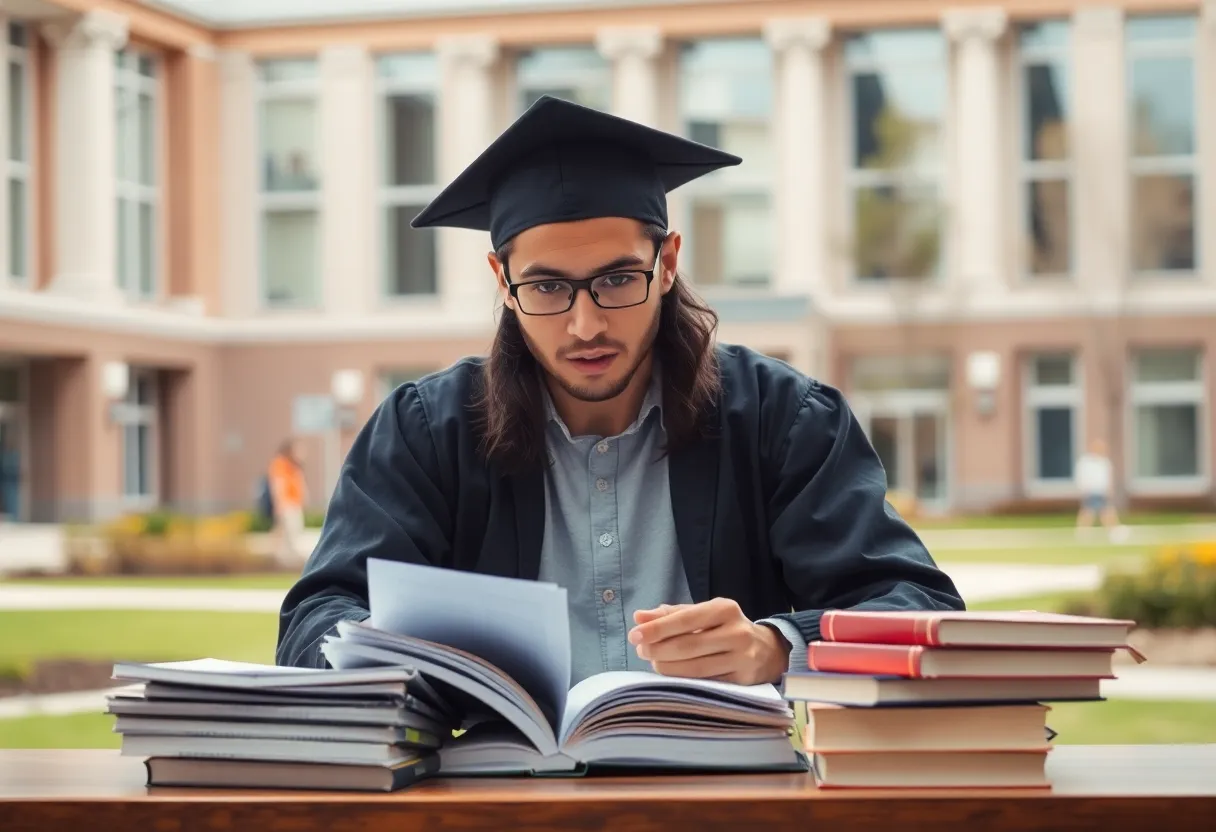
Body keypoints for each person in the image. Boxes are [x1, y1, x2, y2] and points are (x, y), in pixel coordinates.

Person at [276, 96, 963, 685]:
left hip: (732, 793)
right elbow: (318, 618)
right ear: (500, 281)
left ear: (667, 263)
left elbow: (916, 604)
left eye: (616, 279)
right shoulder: (427, 432)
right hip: (496, 795)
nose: (586, 324)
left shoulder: (783, 420)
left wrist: (776, 645)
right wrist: (387, 652)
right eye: (546, 286)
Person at [1074, 438, 1128, 542]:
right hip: (1091, 491)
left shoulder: (1104, 462)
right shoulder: (1086, 462)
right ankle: (1082, 533)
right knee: (1089, 512)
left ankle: (1113, 531)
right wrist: (1083, 489)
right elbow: (1082, 477)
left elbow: (1108, 478)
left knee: (1106, 512)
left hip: (1102, 492)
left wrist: (1109, 490)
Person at [267, 438, 309, 566]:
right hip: (287, 505)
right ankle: (287, 564)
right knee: (290, 535)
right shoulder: (280, 464)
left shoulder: (295, 467)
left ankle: (287, 563)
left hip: (295, 504)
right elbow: (278, 485)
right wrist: (280, 504)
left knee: (291, 534)